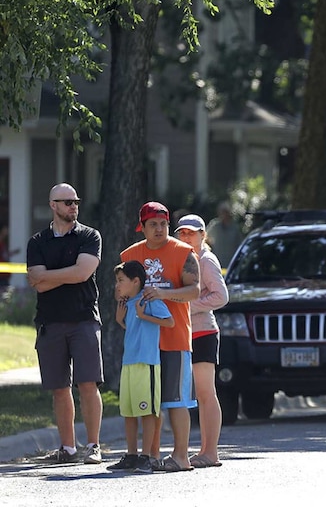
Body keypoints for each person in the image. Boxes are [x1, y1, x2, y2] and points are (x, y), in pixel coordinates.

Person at [26, 183, 103, 464]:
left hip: (84, 319)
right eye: (67, 202)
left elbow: (83, 273)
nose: (73, 206)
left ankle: (93, 446)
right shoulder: (37, 241)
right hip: (50, 321)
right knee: (59, 388)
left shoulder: (89, 236)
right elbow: (37, 283)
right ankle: (68, 449)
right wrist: (61, 276)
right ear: (53, 205)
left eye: (76, 201)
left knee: (87, 384)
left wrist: (49, 277)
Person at [121, 202, 200, 472]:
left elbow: (195, 291)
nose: (159, 229)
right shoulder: (131, 254)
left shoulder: (183, 252)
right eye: (152, 224)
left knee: (176, 400)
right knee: (149, 401)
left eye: (163, 224)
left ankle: (181, 456)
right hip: (143, 343)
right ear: (142, 227)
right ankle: (149, 455)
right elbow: (121, 291)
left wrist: (163, 293)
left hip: (174, 337)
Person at [108, 260, 174, 474]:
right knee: (128, 412)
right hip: (129, 362)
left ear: (135, 281)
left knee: (148, 412)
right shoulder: (127, 303)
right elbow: (133, 328)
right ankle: (131, 455)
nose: (117, 285)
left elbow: (169, 322)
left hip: (147, 363)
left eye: (120, 280)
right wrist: (120, 321)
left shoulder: (149, 300)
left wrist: (144, 314)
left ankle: (147, 457)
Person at [175, 214, 229, 468]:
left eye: (192, 232)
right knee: (195, 394)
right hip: (183, 333)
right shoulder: (181, 258)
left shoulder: (206, 260)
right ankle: (204, 451)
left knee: (206, 393)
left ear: (203, 235)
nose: (186, 236)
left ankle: (211, 452)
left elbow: (221, 296)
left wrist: (189, 306)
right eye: (182, 233)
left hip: (204, 333)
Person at [206, 201, 244, 267]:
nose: (223, 214)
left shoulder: (234, 228)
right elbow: (205, 238)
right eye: (221, 212)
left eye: (225, 212)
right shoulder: (214, 226)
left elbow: (240, 245)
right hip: (216, 263)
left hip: (230, 264)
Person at [0, 223, 20, 288]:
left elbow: (4, 255)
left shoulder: (3, 243)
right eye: (6, 229)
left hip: (4, 275)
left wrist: (13, 253)